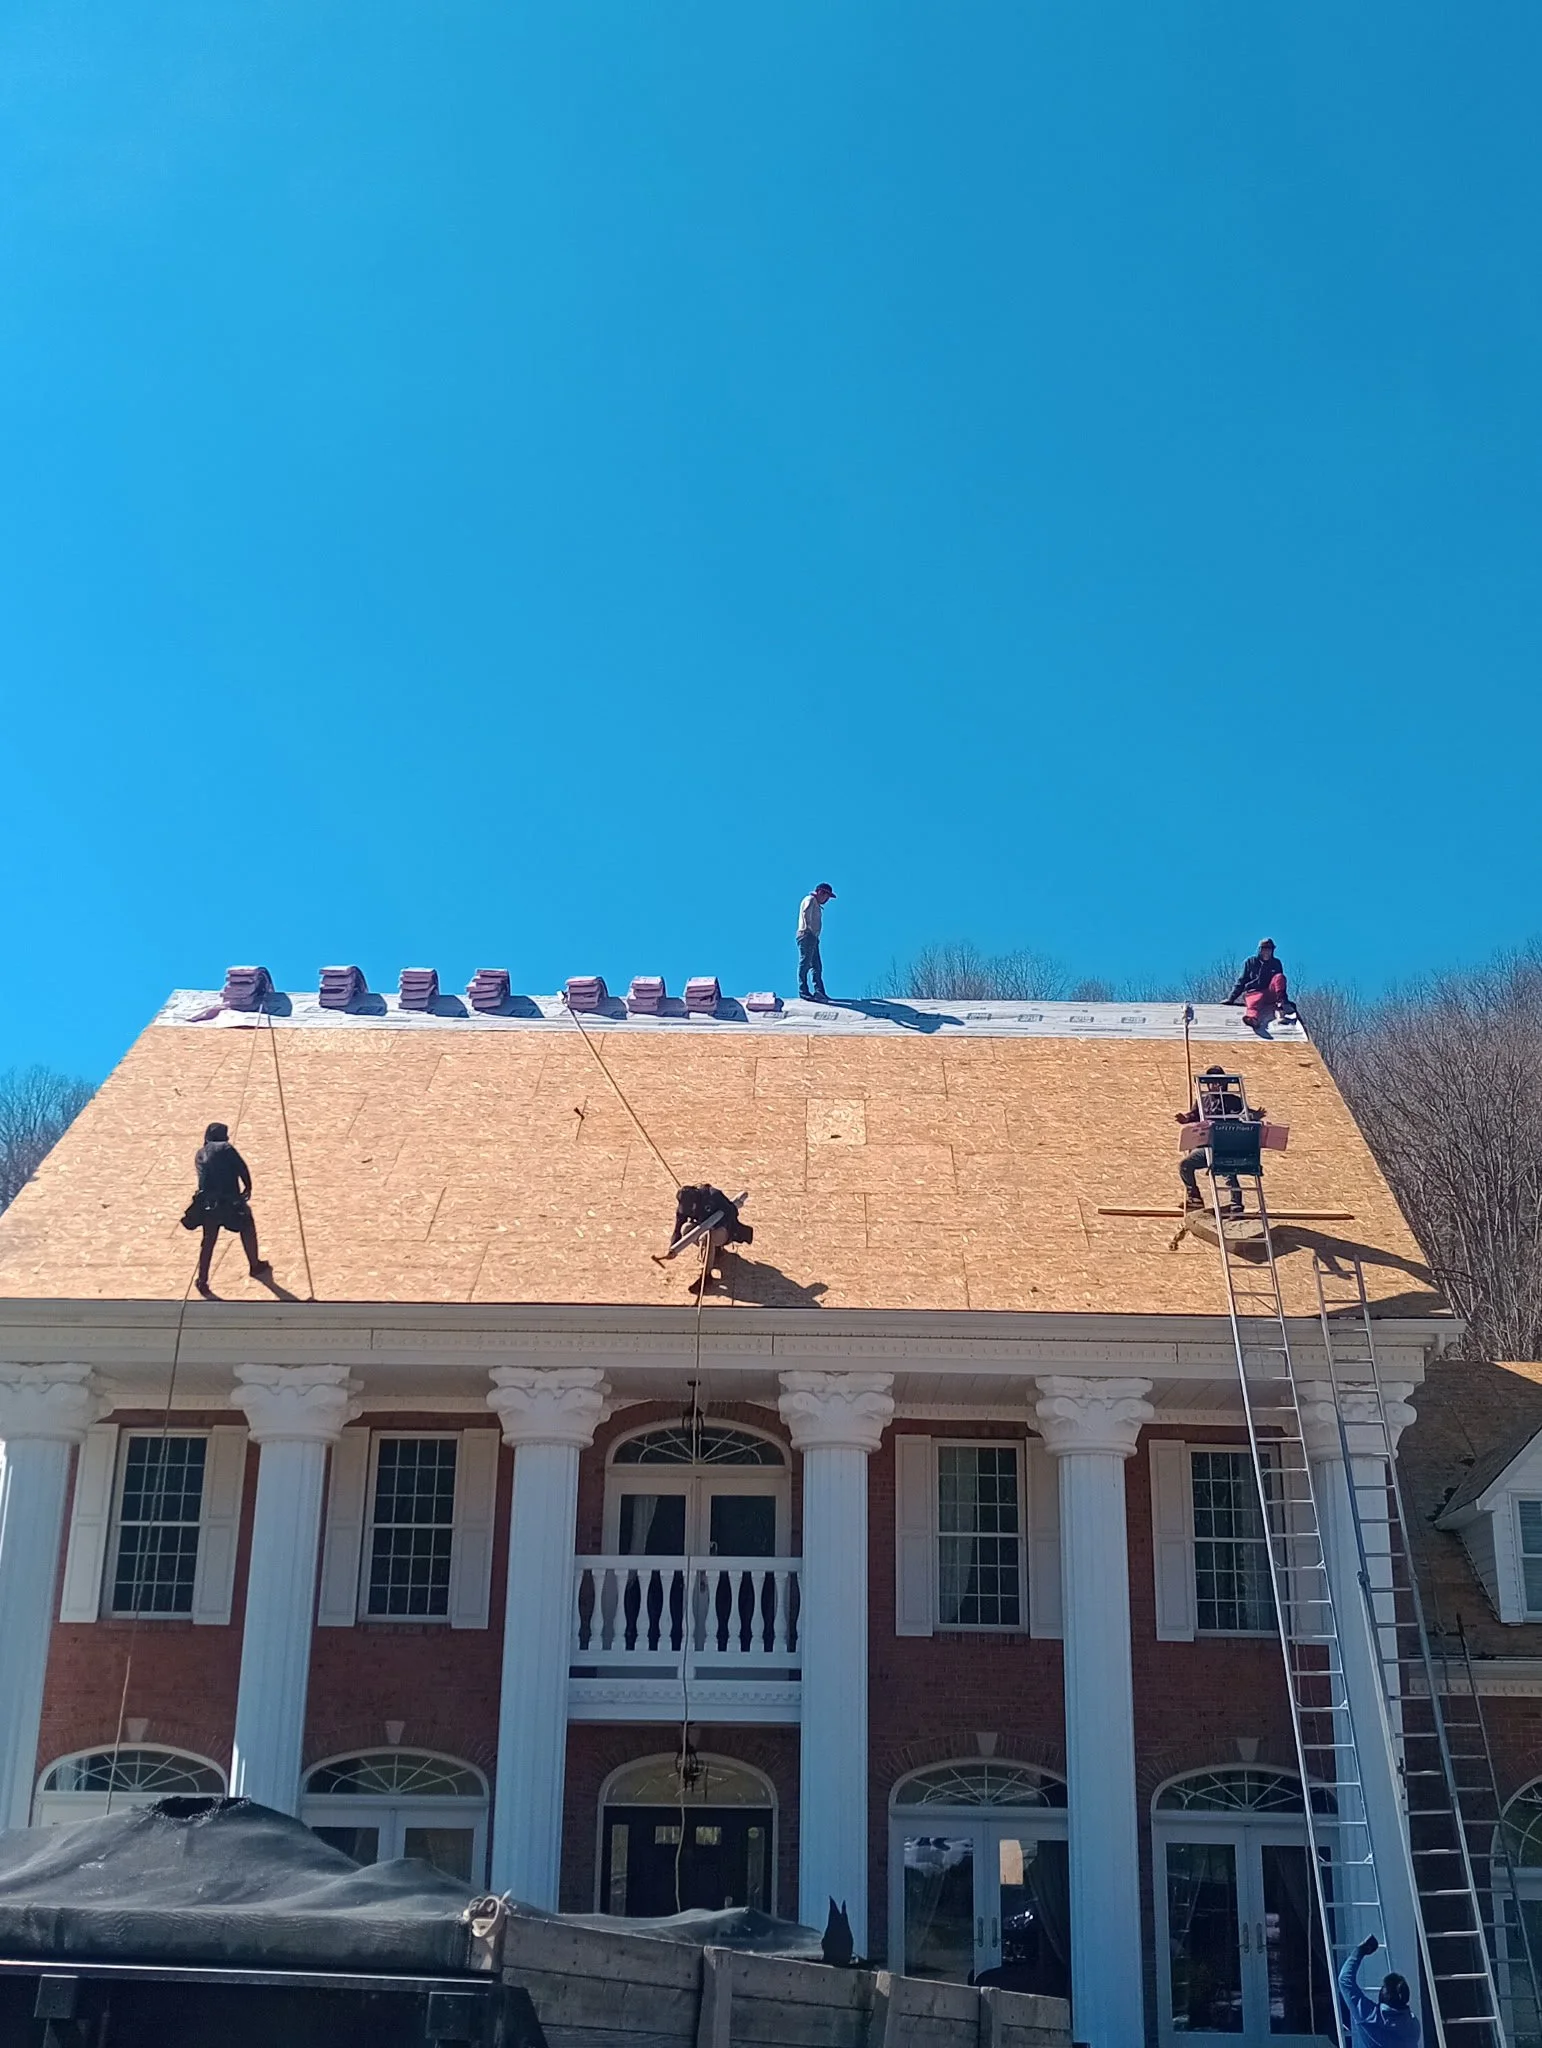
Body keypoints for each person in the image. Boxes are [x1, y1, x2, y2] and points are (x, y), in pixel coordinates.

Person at [182, 1122, 272, 1298]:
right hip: (230, 1202)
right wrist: (248, 1187)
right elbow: (242, 1168)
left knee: (208, 1241)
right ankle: (254, 1265)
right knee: (247, 1226)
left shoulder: (200, 1153)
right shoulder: (226, 1148)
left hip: (209, 1205)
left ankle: (202, 1280)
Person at [1177, 1066, 1263, 1219]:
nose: (1214, 1086)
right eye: (1211, 1083)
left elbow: (1244, 1115)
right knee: (1185, 1165)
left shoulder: (1234, 1101)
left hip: (1226, 1146)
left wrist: (1254, 1115)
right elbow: (1193, 1116)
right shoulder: (1203, 1101)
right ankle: (1195, 1197)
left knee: (1229, 1172)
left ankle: (1236, 1206)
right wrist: (1185, 1118)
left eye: (1218, 1082)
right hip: (1207, 1147)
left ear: (1224, 1084)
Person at [670, 1184, 753, 1295]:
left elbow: (731, 1212)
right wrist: (672, 1249)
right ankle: (714, 1251)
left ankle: (706, 1276)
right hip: (704, 1229)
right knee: (685, 1228)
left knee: (706, 1237)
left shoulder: (713, 1196)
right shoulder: (685, 1205)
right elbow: (677, 1228)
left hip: (724, 1231)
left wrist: (714, 1224)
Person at [1338, 1934, 1419, 2045]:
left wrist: (1360, 1951)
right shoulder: (1413, 2025)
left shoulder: (1370, 2016)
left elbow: (1345, 1980)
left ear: (1385, 1995)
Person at [1226, 937, 1293, 1031]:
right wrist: (1231, 999)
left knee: (1279, 977)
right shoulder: (1250, 962)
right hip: (1254, 992)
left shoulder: (1276, 963)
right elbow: (1241, 981)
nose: (1266, 952)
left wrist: (1284, 999)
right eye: (1264, 949)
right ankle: (1253, 1019)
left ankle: (1281, 1004)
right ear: (1260, 950)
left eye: (1269, 949)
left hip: (1269, 992)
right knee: (1254, 1001)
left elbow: (1279, 983)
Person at [797, 883, 836, 1001]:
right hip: (807, 935)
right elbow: (806, 912)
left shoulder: (816, 904)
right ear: (820, 892)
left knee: (816, 965)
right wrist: (809, 928)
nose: (826, 900)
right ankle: (803, 991)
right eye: (826, 896)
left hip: (813, 936)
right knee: (806, 963)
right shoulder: (810, 899)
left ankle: (819, 991)